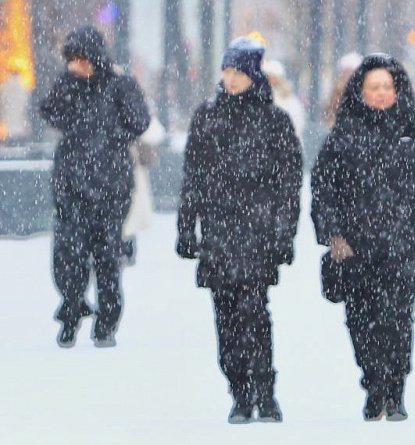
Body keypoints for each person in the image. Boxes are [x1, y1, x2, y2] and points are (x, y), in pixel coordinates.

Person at [311, 53, 415, 422]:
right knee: (361, 319)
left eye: (386, 87)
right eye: (373, 87)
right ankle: (373, 382)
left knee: (398, 318)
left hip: (403, 246)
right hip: (357, 248)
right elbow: (323, 190)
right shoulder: (342, 138)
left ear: (397, 91)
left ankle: (395, 388)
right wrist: (332, 233)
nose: (380, 93)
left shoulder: (413, 136)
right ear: (360, 91)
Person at [176, 36, 303, 424]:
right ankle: (238, 389)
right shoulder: (207, 117)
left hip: (258, 233)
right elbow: (193, 176)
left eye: (237, 72)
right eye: (226, 71)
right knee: (225, 315)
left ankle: (263, 392)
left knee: (253, 312)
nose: (230, 79)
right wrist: (186, 228)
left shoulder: (274, 121)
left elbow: (289, 182)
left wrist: (284, 232)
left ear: (253, 76)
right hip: (218, 232)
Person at [39, 26, 151, 348]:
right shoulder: (68, 86)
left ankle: (106, 321)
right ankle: (72, 307)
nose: (77, 65)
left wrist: (114, 132)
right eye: (72, 59)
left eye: (81, 58)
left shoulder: (119, 85)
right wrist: (68, 84)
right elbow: (50, 113)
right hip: (71, 185)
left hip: (111, 187)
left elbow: (140, 122)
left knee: (107, 259)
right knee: (67, 256)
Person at [122, 116, 166, 266]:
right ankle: (126, 248)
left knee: (129, 212)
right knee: (129, 213)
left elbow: (154, 131)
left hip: (126, 167)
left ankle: (125, 248)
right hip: (126, 167)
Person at [262, 59, 306, 141]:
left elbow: (297, 125)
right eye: (268, 77)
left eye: (272, 77)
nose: (270, 80)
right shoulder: (260, 96)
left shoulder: (289, 100)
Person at [322, 52, 363, 129]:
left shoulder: (363, 90)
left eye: (351, 72)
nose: (348, 75)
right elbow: (330, 110)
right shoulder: (337, 89)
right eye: (346, 72)